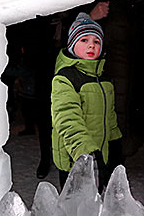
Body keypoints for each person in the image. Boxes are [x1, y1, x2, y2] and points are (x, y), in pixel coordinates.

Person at [50, 12, 122, 193]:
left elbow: (109, 117)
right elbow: (67, 119)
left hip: (99, 156)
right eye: (84, 40)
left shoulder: (104, 80)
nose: (91, 45)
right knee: (77, 212)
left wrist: (115, 144)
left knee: (96, 204)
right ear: (72, 45)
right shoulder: (65, 78)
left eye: (96, 41)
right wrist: (87, 153)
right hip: (75, 159)